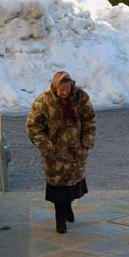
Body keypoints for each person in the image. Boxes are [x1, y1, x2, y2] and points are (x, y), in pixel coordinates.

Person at [26, 71, 96, 234]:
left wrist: (86, 142)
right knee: (58, 185)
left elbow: (89, 119)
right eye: (61, 89)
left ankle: (68, 208)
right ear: (54, 86)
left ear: (72, 85)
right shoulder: (44, 101)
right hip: (54, 154)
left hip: (75, 151)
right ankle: (60, 219)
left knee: (71, 183)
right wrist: (46, 145)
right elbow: (33, 126)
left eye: (67, 89)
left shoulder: (80, 98)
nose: (64, 92)